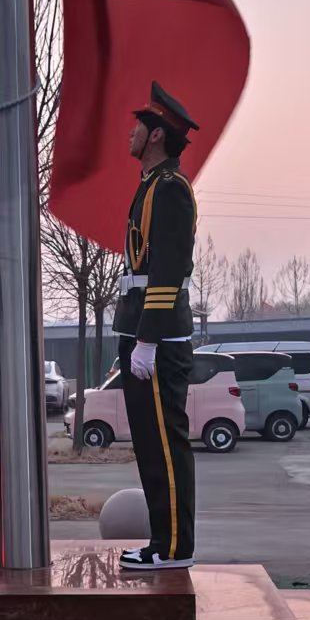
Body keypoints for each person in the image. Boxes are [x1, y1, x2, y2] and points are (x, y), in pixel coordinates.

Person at [112, 83, 200, 572]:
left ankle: (173, 547)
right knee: (150, 444)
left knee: (165, 444)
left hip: (158, 336)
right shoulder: (150, 184)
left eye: (139, 126)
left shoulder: (170, 189)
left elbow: (168, 269)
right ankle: (161, 541)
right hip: (141, 330)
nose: (131, 132)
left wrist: (147, 339)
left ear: (158, 135)